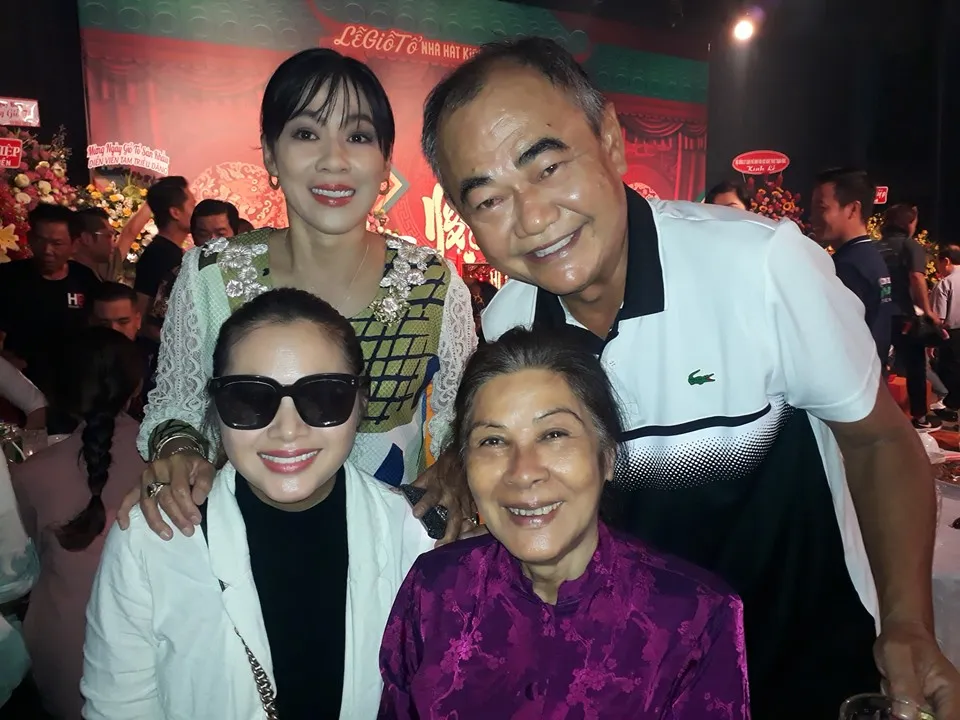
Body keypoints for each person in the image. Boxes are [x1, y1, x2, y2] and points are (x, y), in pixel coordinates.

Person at [419, 36, 957, 717]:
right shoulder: (510, 325)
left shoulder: (761, 268)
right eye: (488, 200)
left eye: (548, 167)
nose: (533, 218)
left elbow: (878, 441)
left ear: (610, 141)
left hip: (798, 670)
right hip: (638, 687)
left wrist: (908, 622)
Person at [121, 47, 476, 546]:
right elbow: (178, 405)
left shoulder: (434, 284)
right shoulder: (210, 276)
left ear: (385, 161)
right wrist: (177, 450)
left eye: (358, 136)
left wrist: (461, 462)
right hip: (247, 543)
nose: (334, 160)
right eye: (307, 134)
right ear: (270, 152)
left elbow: (470, 418)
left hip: (393, 550)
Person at [81, 288, 434, 719]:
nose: (287, 429)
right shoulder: (151, 540)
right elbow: (118, 707)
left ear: (362, 400)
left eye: (324, 396)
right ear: (215, 407)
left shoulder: (416, 539)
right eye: (250, 398)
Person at [379, 328, 750, 719]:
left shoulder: (694, 617)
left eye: (553, 434)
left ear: (606, 456)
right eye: (493, 441)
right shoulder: (435, 590)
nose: (524, 472)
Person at [11, 327, 145, 720]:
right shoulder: (172, 462)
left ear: (59, 392)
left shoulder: (30, 474)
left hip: (63, 654)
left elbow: (25, 563)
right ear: (137, 386)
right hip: (148, 653)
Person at [0, 204, 100, 393]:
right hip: (20, 382)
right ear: (30, 238)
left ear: (74, 244)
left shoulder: (84, 279)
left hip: (73, 380)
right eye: (40, 240)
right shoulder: (8, 277)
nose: (47, 250)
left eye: (57, 243)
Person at [811, 168, 893, 365]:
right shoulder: (869, 257)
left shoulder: (847, 267)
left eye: (821, 208)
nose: (812, 217)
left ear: (853, 209)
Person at [876, 203, 940, 430]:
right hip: (903, 314)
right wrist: (928, 311)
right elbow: (916, 277)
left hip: (877, 315)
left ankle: (877, 416)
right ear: (909, 223)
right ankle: (920, 418)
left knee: (878, 365)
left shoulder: (875, 246)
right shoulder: (910, 246)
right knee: (915, 366)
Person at [134, 176, 196, 342]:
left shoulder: (168, 251)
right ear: (175, 212)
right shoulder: (159, 255)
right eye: (192, 206)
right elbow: (142, 314)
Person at [931, 245, 960, 416]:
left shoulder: (946, 283)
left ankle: (950, 406)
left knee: (950, 371)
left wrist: (931, 342)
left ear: (946, 261)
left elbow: (938, 319)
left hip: (951, 335)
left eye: (938, 263)